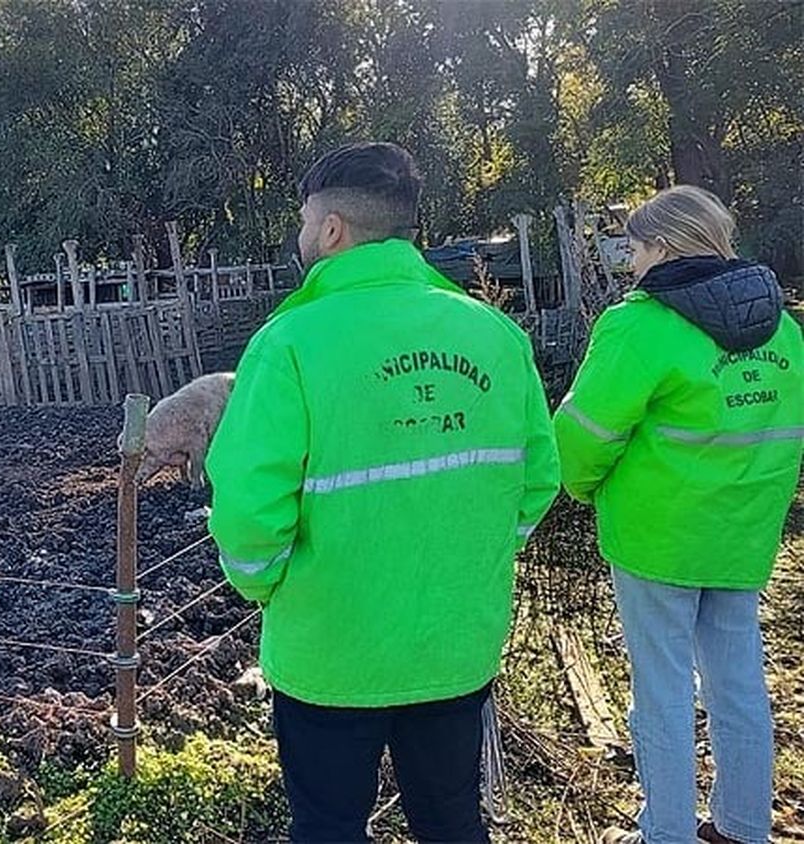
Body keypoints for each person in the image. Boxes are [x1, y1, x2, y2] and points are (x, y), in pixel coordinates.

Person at [206, 141, 560, 842]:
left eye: (305, 222)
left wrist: (264, 584)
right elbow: (537, 476)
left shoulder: (291, 343)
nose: (301, 236)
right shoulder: (492, 333)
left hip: (330, 650)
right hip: (456, 641)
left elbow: (249, 509)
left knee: (330, 825)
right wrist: (473, 553)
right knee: (452, 818)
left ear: (332, 229)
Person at [555, 185, 803, 844]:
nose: (630, 261)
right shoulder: (783, 329)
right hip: (742, 532)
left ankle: (666, 832)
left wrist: (583, 489)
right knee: (739, 686)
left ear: (662, 246)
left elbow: (581, 434)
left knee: (662, 691)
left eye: (634, 246)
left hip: (656, 537)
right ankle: (745, 827)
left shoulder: (639, 324)